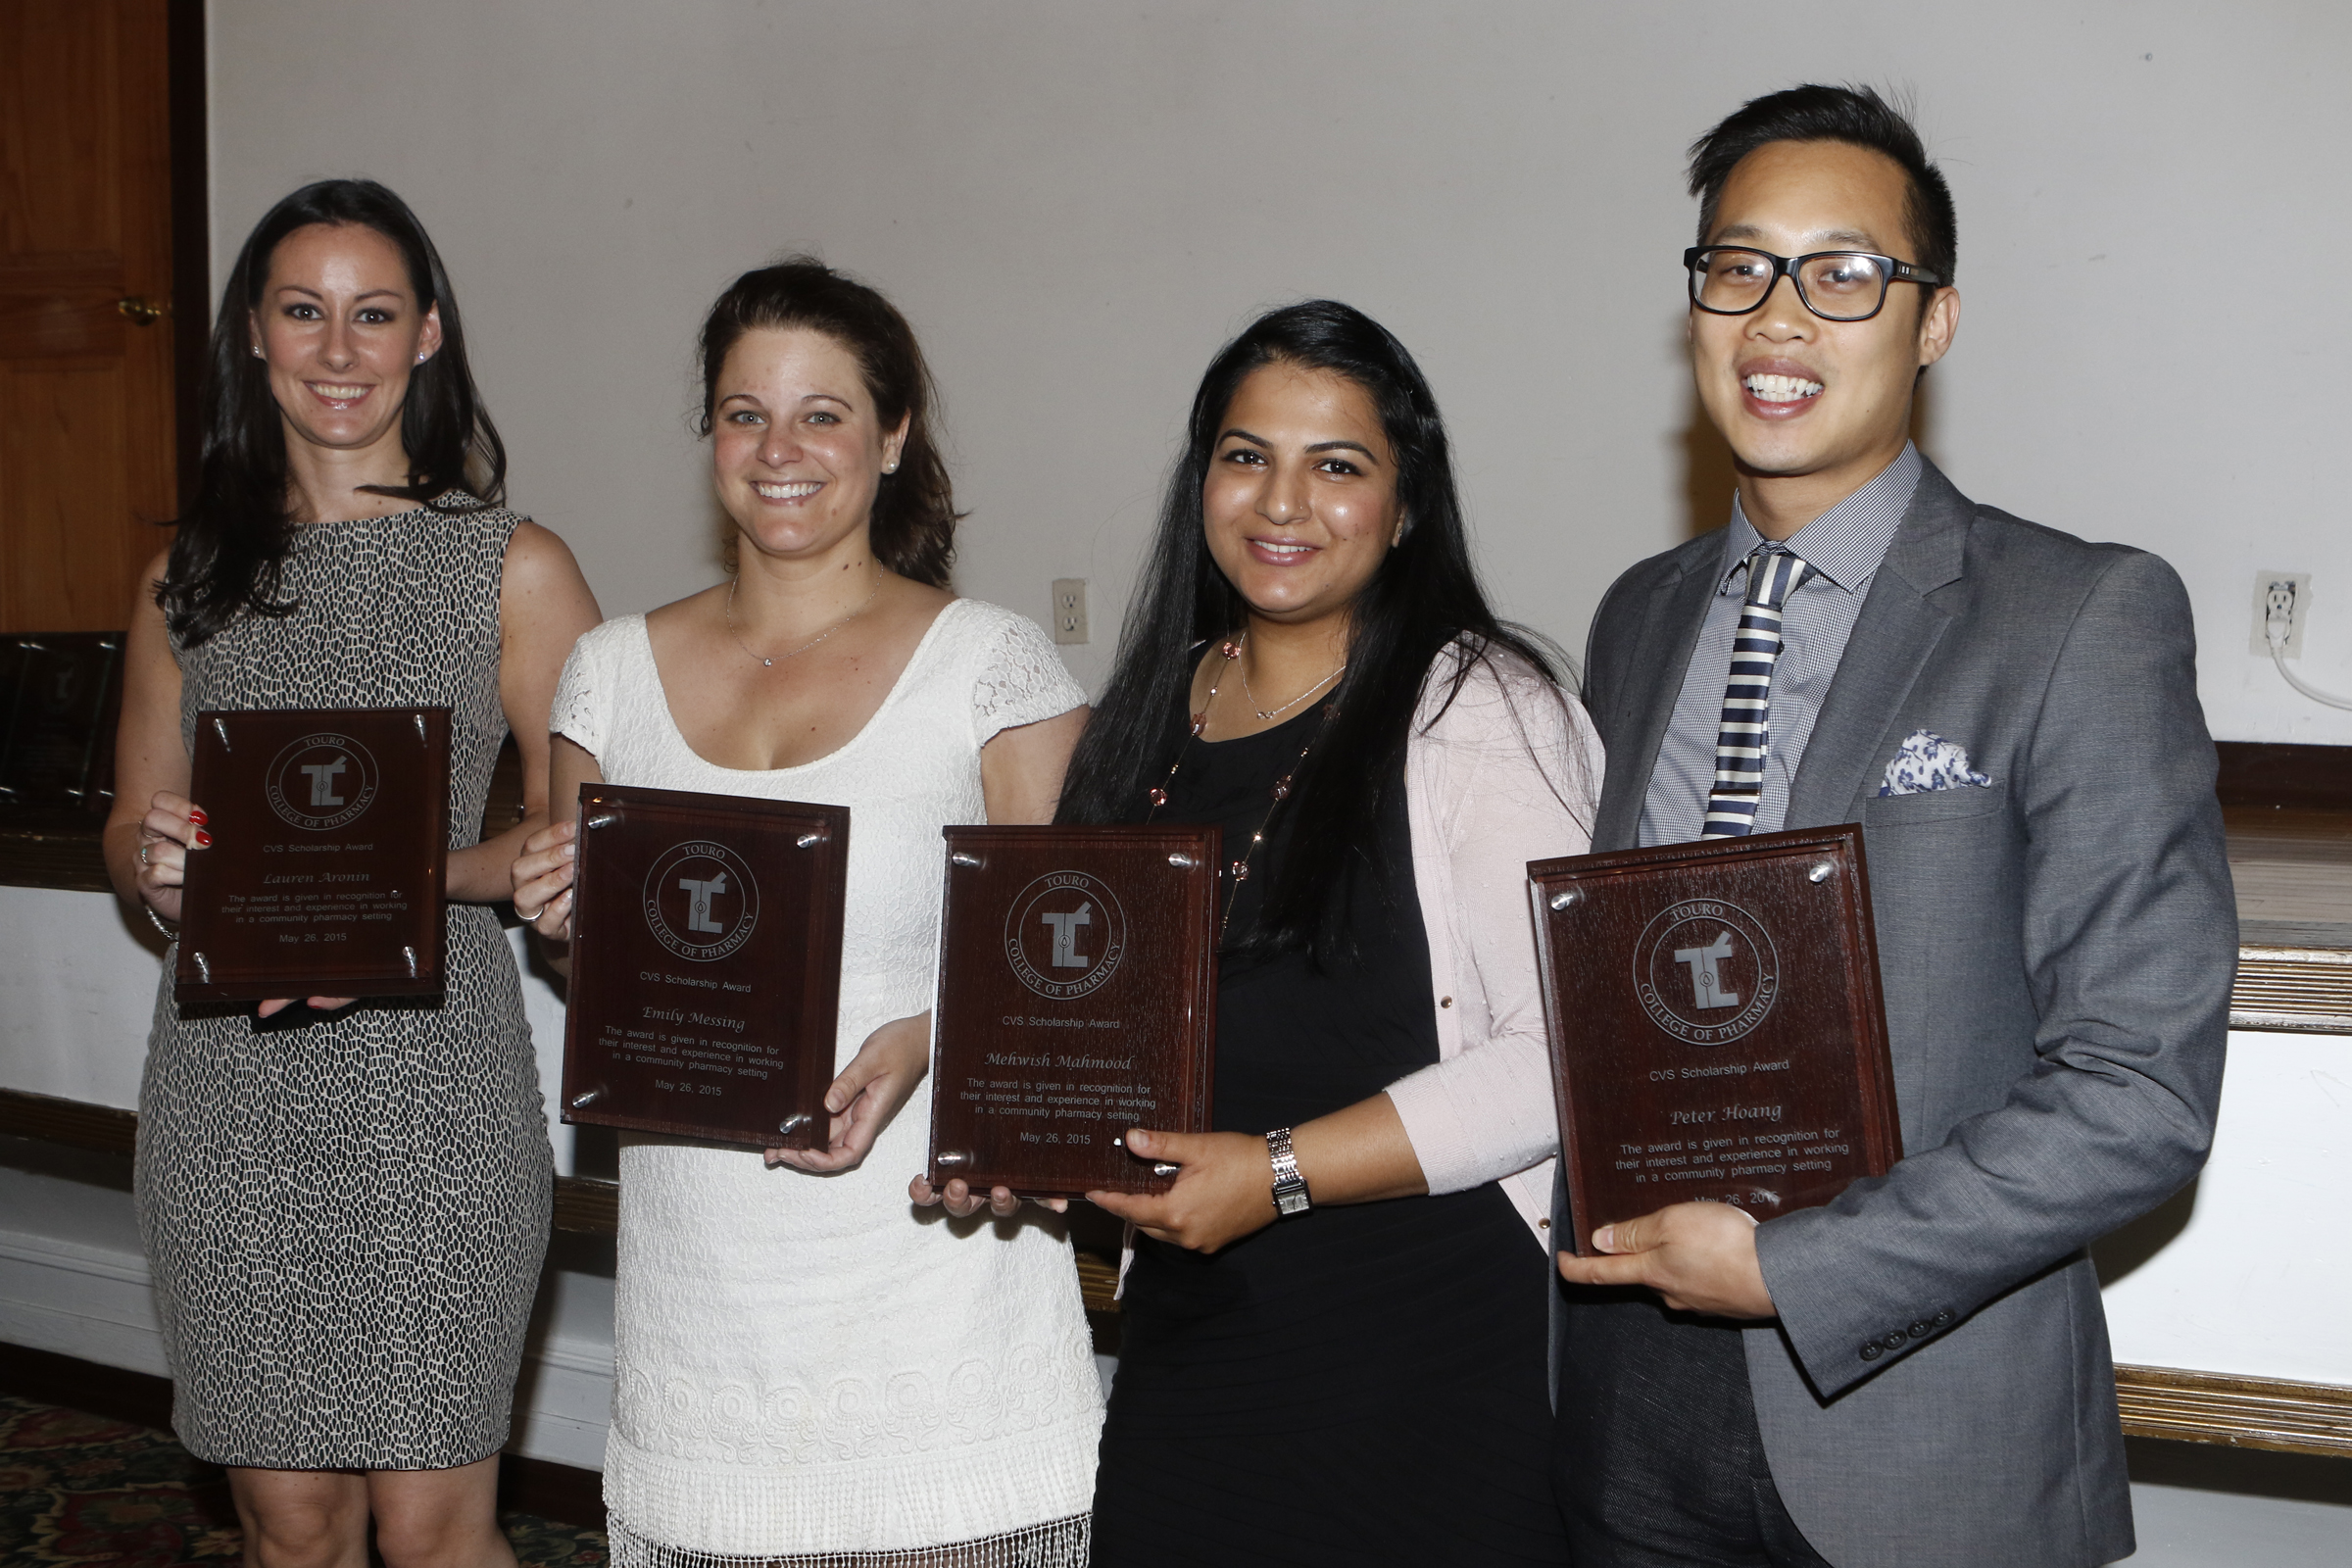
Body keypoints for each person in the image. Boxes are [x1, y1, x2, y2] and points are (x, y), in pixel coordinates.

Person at [1550, 85, 2234, 1567]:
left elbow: (2140, 1091)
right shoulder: (1637, 615)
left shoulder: (2078, 615)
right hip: (1622, 1415)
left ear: (1933, 322)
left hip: (1921, 1429)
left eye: (1843, 273)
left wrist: (1799, 1268)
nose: (1778, 318)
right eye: (1738, 269)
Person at [508, 259, 1102, 1567]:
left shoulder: (990, 666)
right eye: (743, 412)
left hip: (937, 1308)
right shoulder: (605, 679)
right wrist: (569, 928)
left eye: (822, 413)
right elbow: (613, 973)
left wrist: (926, 1037)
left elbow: (1078, 977)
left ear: (891, 438)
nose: (779, 450)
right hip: (705, 1318)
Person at [1050, 300, 1600, 1565]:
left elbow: (1568, 1053)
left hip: (1430, 1359)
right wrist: (1019, 1136)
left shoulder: (1480, 708)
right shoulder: (1146, 715)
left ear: (1405, 507)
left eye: (1336, 465)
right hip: (1199, 1339)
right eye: (1247, 456)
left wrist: (1278, 1172)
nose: (1281, 502)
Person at [107, 180, 602, 1568]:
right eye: (303, 313)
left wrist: (401, 885)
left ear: (428, 335)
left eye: (374, 314)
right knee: (288, 1526)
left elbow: (576, 845)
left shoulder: (512, 565)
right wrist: (155, 866)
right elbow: (133, 821)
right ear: (252, 337)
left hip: (431, 1087)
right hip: (229, 1092)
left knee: (435, 1528)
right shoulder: (183, 579)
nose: (339, 350)